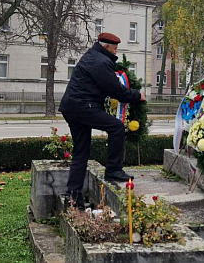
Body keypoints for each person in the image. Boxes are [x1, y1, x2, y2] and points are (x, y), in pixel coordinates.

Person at [59, 33, 145, 206]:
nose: (116, 53)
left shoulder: (92, 56)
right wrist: (137, 95)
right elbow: (116, 90)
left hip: (72, 107)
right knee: (117, 127)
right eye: (114, 49)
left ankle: (73, 194)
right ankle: (113, 170)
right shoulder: (101, 62)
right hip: (84, 107)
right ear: (106, 47)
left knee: (81, 151)